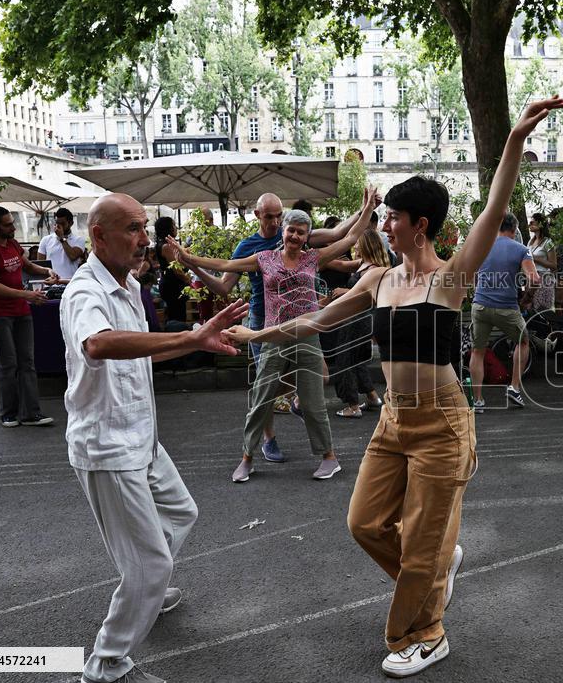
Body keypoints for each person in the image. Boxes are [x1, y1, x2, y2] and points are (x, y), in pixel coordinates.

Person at [221, 96, 563, 678]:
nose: (382, 224)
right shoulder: (378, 278)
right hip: (391, 424)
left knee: (422, 548)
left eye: (391, 218)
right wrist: (255, 335)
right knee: (364, 524)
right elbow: (312, 320)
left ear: (419, 225)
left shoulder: (452, 277)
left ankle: (424, 633)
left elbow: (494, 205)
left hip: (442, 423)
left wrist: (512, 140)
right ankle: (436, 569)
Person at [61, 193, 247, 683]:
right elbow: (98, 344)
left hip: (141, 438)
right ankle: (106, 669)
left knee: (181, 513)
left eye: (145, 227)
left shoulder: (127, 286)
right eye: (132, 229)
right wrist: (190, 339)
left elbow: (138, 356)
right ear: (98, 237)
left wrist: (195, 337)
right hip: (108, 446)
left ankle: (146, 586)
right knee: (148, 564)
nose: (145, 240)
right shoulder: (86, 292)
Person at [172, 200, 374, 480]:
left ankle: (329, 457)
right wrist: (190, 259)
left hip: (306, 336)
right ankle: (247, 457)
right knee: (261, 398)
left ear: (306, 237)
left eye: (301, 233)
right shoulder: (264, 259)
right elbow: (226, 264)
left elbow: (350, 236)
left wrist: (365, 208)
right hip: (273, 336)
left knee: (313, 400)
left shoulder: (313, 259)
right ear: (283, 231)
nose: (295, 236)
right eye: (291, 230)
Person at [0, 206, 57, 427]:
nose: (13, 227)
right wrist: (26, 294)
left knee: (27, 362)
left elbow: (28, 265)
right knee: (9, 363)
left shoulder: (13, 244)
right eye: (8, 224)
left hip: (20, 311)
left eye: (12, 222)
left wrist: (47, 271)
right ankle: (8, 413)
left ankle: (31, 413)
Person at [468, 212, 539, 413]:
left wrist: (478, 291)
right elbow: (534, 279)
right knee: (523, 341)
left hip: (480, 306)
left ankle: (478, 400)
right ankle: (514, 388)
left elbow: (471, 276)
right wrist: (527, 298)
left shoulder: (481, 246)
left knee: (478, 351)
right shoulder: (521, 249)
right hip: (507, 307)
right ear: (515, 229)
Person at [327, 229, 388, 418]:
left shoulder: (375, 269)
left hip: (359, 319)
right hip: (358, 318)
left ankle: (352, 406)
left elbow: (370, 295)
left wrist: (345, 292)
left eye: (357, 243)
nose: (354, 246)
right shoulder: (363, 264)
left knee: (344, 360)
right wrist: (312, 257)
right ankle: (372, 397)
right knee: (356, 360)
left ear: (366, 245)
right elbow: (339, 264)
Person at [153, 216, 191, 324]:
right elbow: (177, 270)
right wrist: (188, 280)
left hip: (170, 285)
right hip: (172, 286)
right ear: (168, 228)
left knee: (175, 314)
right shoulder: (166, 246)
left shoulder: (166, 244)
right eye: (174, 225)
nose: (176, 227)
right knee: (177, 317)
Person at [37, 207, 85, 280]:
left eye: (62, 223)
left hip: (70, 283)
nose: (59, 226)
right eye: (57, 223)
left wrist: (61, 238)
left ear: (71, 223)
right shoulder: (46, 240)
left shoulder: (79, 240)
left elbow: (73, 256)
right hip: (51, 283)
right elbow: (40, 265)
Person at [527, 213, 556, 311]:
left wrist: (536, 259)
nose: (529, 225)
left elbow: (553, 265)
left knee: (543, 310)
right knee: (531, 310)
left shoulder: (548, 242)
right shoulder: (530, 242)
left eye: (532, 223)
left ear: (540, 225)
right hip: (531, 279)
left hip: (544, 280)